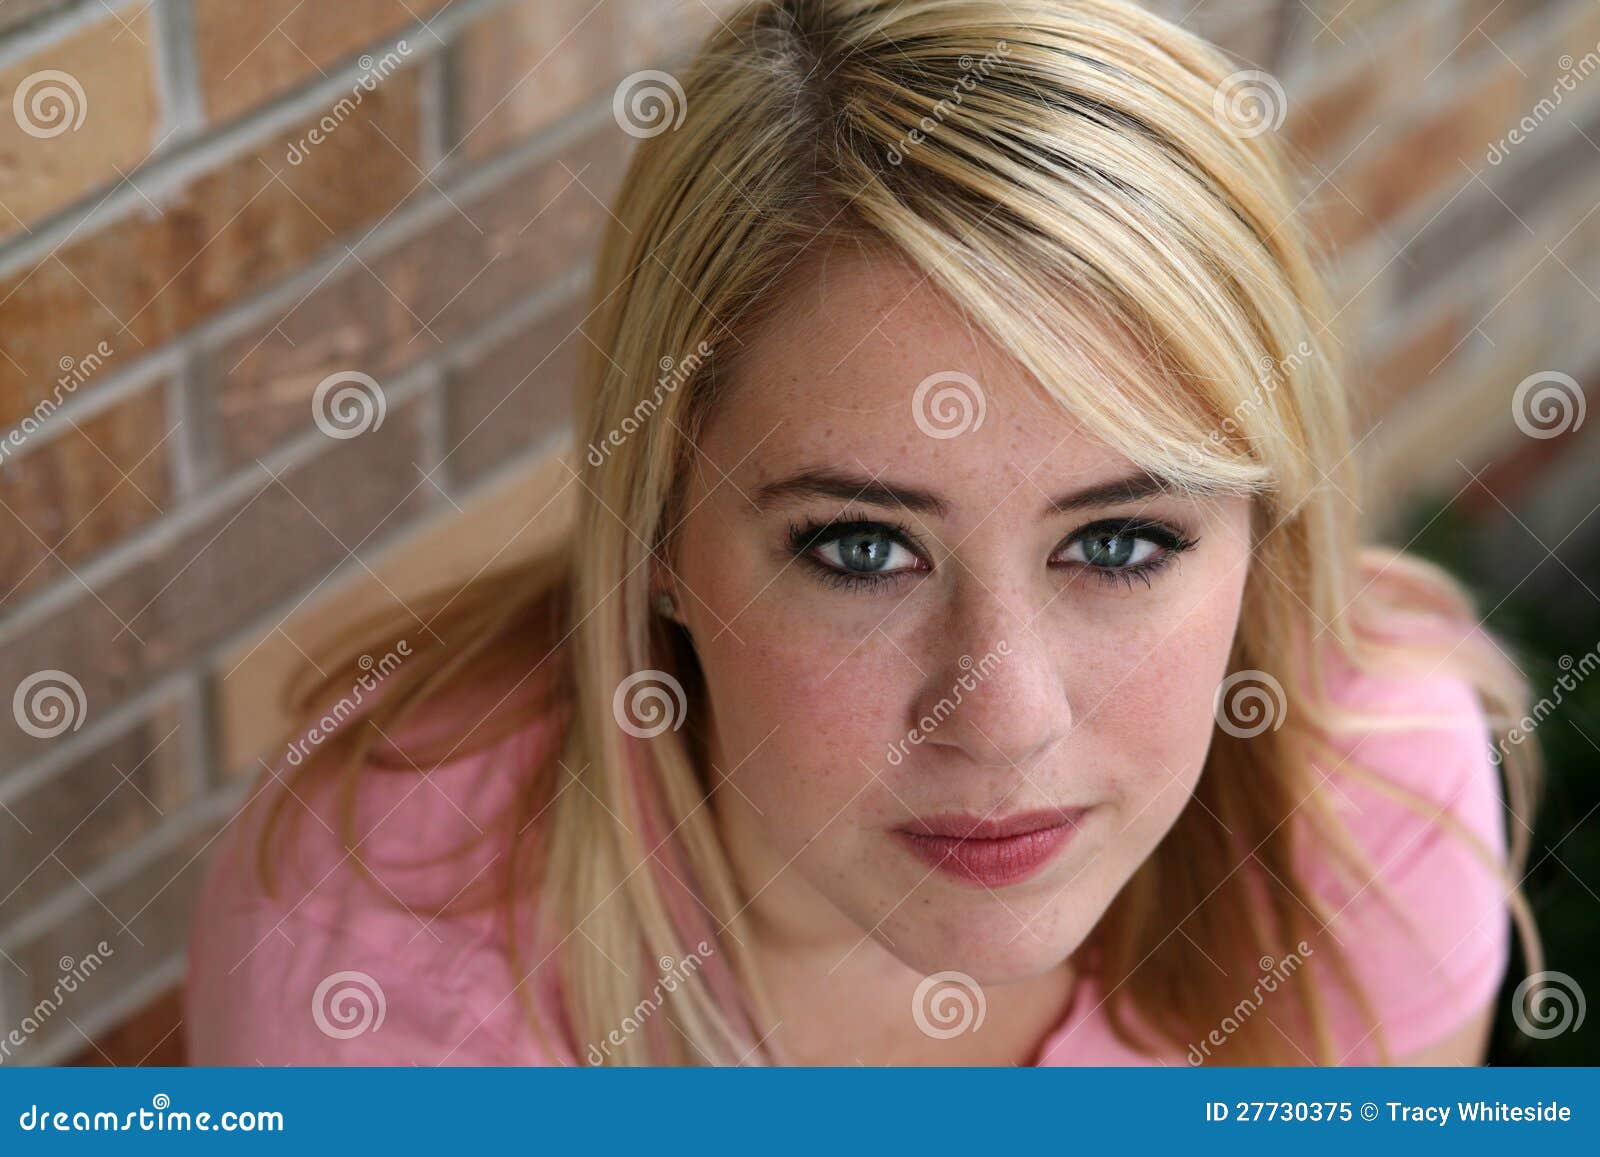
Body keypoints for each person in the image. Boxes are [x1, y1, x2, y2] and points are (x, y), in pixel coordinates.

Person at [184, 0, 1541, 1067]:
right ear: (656, 529)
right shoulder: (379, 947)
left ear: (1265, 529)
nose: (1001, 717)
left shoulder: (1367, 811)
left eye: (1121, 542)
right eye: (861, 549)